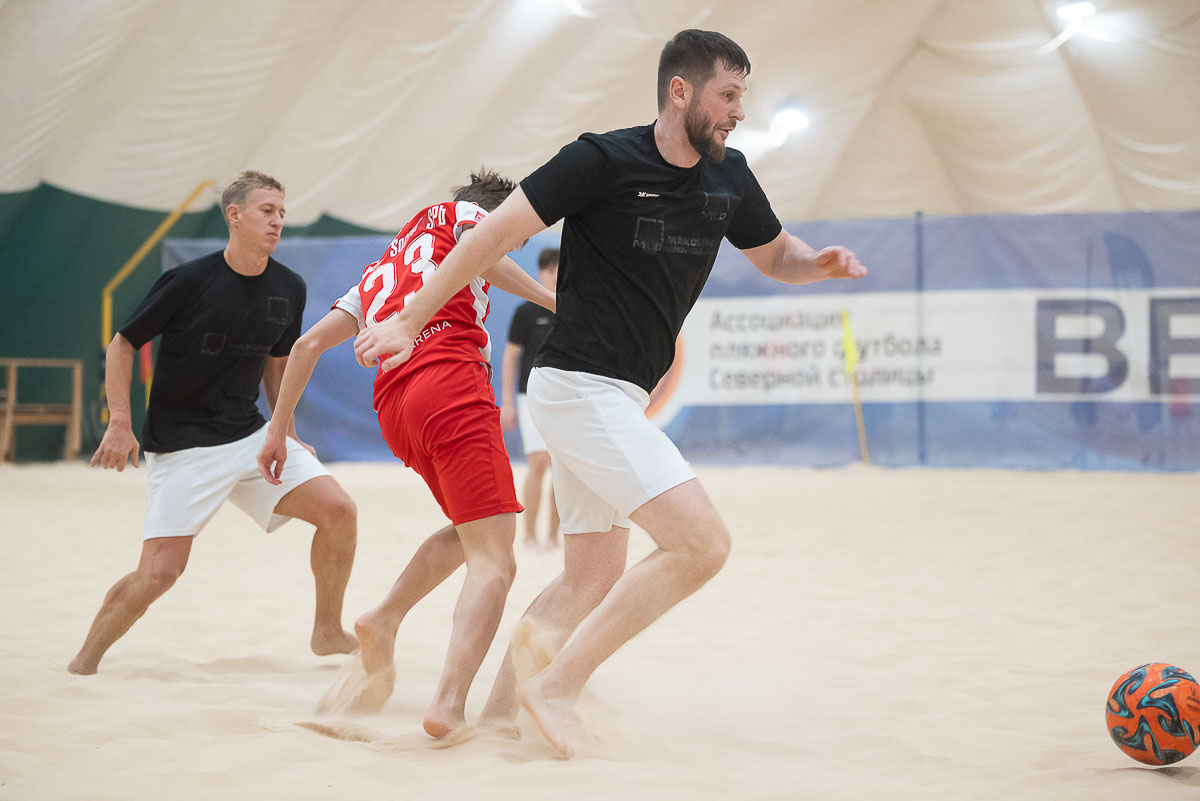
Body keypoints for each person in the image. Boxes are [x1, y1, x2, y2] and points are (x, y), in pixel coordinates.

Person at [354, 29, 867, 757]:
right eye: (728, 95)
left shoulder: (730, 176)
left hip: (617, 395)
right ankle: (557, 686)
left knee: (589, 575)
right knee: (702, 543)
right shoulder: (600, 159)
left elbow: (778, 254)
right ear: (679, 91)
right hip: (575, 385)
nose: (739, 112)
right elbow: (489, 238)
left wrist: (818, 263)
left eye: (742, 97)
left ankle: (499, 717)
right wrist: (409, 319)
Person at [256, 169, 555, 739]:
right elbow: (482, 244)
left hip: (394, 407)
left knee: (474, 531)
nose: (511, 245)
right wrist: (550, 298)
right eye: (515, 235)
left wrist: (277, 431)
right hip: (448, 381)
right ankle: (448, 704)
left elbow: (307, 344)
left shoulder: (379, 271)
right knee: (497, 561)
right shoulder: (468, 217)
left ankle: (385, 616)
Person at [69, 171, 359, 676]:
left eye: (281, 213)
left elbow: (276, 368)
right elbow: (122, 344)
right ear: (235, 215)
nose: (277, 221)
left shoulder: (289, 287)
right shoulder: (188, 281)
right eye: (267, 211)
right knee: (160, 572)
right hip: (183, 446)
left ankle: (327, 631)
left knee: (339, 511)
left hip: (249, 435)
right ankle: (83, 663)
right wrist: (120, 421)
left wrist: (285, 432)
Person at [500, 247, 561, 549]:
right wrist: (507, 402)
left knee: (563, 469)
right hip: (530, 397)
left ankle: (552, 537)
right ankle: (529, 535)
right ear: (540, 273)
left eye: (560, 270)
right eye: (550, 271)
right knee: (538, 463)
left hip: (565, 398)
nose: (555, 276)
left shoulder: (573, 310)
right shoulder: (526, 312)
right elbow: (510, 357)